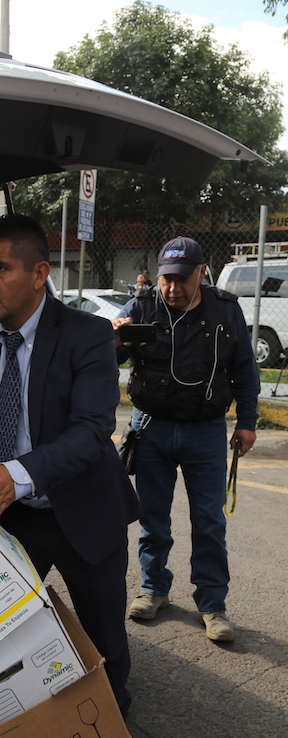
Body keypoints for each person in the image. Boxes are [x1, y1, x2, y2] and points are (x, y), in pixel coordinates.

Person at [0, 214, 140, 719]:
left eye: (0, 268)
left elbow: (91, 431)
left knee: (104, 638)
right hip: (11, 519)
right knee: (3, 633)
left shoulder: (87, 336)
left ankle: (115, 729)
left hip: (85, 513)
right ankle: (19, 725)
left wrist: (17, 474)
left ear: (40, 273)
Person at [112, 236, 260, 642]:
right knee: (152, 517)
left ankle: (212, 604)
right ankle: (153, 589)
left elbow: (245, 368)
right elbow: (107, 356)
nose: (173, 288)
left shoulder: (225, 310)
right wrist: (114, 338)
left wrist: (247, 422)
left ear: (201, 273)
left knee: (209, 521)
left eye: (182, 278)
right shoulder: (141, 306)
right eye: (166, 279)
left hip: (206, 431)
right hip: (151, 427)